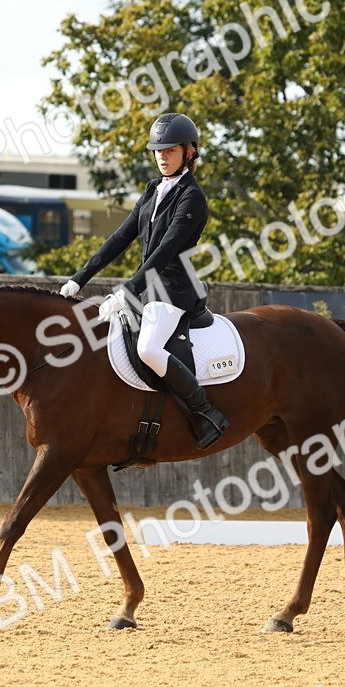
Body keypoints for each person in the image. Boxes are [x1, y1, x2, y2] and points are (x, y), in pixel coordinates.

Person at [59, 112, 230, 449]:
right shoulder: (153, 190)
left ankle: (207, 411)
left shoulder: (192, 197)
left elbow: (166, 250)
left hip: (174, 291)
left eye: (170, 150)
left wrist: (128, 290)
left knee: (148, 348)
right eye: (158, 150)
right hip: (147, 286)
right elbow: (120, 238)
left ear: (189, 152)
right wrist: (79, 279)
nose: (162, 156)